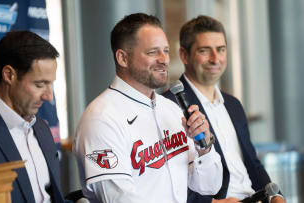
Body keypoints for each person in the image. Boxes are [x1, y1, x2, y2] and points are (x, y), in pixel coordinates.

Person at [74, 13, 223, 203]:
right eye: (153, 52)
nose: (164, 60)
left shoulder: (172, 109)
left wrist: (204, 147)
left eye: (166, 51)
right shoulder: (100, 119)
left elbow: (209, 186)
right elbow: (119, 200)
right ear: (123, 58)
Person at [162, 15, 286, 203]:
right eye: (205, 50)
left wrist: (275, 196)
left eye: (221, 50)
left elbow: (253, 164)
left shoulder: (233, 104)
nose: (215, 58)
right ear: (184, 55)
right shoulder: (169, 106)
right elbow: (166, 181)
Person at [0, 31, 68, 203]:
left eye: (51, 84)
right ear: (9, 75)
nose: (49, 96)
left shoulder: (42, 128)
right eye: (40, 84)